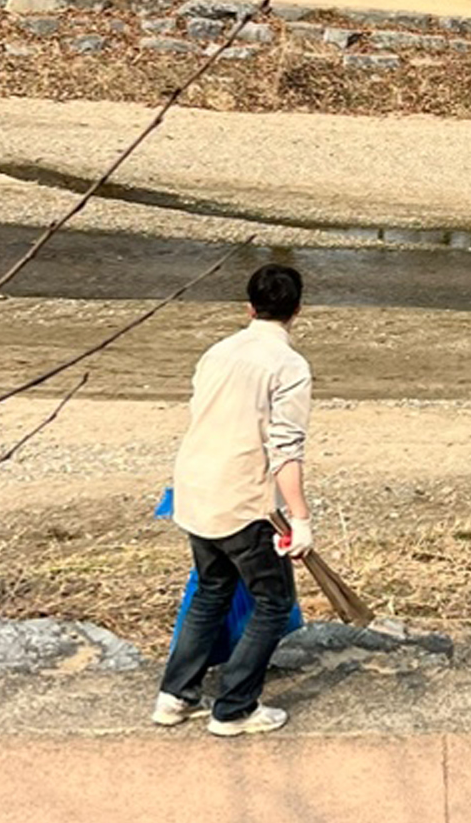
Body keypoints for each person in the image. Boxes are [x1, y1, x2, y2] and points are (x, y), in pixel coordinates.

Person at [152, 263, 315, 737]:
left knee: (211, 590)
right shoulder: (289, 366)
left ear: (249, 307)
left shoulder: (217, 352)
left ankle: (175, 696)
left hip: (195, 489)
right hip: (243, 500)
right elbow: (285, 448)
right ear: (297, 310)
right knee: (273, 601)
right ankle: (235, 707)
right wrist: (300, 519)